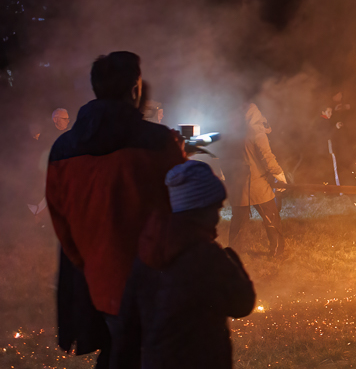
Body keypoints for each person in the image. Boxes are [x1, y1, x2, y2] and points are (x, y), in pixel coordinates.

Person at [45, 52, 186, 364]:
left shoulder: (62, 149)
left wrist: (87, 262)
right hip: (150, 277)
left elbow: (61, 221)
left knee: (116, 351)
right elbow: (182, 206)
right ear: (135, 89)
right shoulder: (158, 142)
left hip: (92, 280)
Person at [117, 160, 256, 369]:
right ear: (201, 211)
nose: (217, 218)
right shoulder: (206, 257)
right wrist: (231, 258)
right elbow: (242, 303)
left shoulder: (149, 250)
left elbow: (128, 322)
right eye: (215, 209)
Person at [226, 102, 288, 257]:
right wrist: (279, 173)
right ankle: (277, 252)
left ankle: (234, 254)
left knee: (238, 222)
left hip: (239, 183)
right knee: (271, 217)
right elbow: (267, 157)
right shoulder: (257, 132)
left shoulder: (235, 132)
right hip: (257, 183)